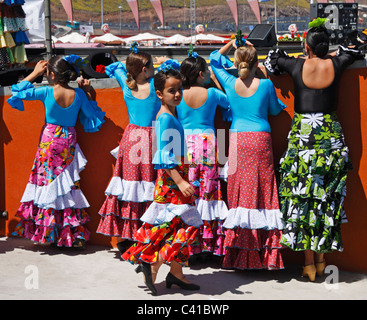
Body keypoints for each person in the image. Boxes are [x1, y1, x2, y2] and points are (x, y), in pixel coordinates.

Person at [264, 18, 361, 281]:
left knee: (302, 197)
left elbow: (271, 61)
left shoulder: (296, 64)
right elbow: (358, 48)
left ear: (307, 47)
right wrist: (334, 53)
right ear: (325, 47)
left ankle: (308, 263)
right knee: (326, 197)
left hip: (304, 135)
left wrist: (300, 54)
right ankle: (321, 260)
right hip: (330, 133)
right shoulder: (338, 63)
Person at [122, 60, 203, 295]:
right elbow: (162, 154)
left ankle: (174, 273)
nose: (177, 94)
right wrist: (180, 181)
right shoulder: (166, 118)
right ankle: (151, 264)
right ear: (159, 93)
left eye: (179, 89)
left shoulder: (169, 114)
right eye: (171, 90)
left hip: (175, 178)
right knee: (179, 227)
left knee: (176, 226)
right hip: (172, 181)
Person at [7, 55, 105, 249]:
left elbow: (16, 91)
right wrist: (88, 93)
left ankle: (51, 232)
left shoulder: (46, 92)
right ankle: (71, 234)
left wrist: (34, 73)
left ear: (51, 74)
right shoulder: (78, 95)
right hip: (68, 141)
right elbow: (92, 117)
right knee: (68, 185)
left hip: (49, 142)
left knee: (48, 184)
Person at [209, 32, 286, 270]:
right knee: (264, 189)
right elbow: (274, 111)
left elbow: (212, 59)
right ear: (256, 63)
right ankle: (265, 256)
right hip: (261, 138)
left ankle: (239, 253)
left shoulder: (230, 83)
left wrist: (232, 43)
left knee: (240, 189)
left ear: (236, 62)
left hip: (238, 139)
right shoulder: (265, 85)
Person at [97, 43, 162, 252]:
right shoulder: (154, 85)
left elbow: (112, 67)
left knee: (130, 187)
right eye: (152, 66)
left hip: (131, 138)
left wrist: (128, 62)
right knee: (150, 184)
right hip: (151, 138)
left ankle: (127, 234)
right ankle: (147, 231)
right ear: (145, 69)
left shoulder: (126, 84)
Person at [177, 49, 230, 261]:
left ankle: (188, 245)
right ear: (201, 74)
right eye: (207, 71)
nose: (209, 73)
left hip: (184, 145)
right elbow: (229, 103)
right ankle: (209, 246)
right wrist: (216, 82)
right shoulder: (213, 94)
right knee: (209, 195)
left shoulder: (178, 95)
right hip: (208, 144)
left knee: (188, 194)